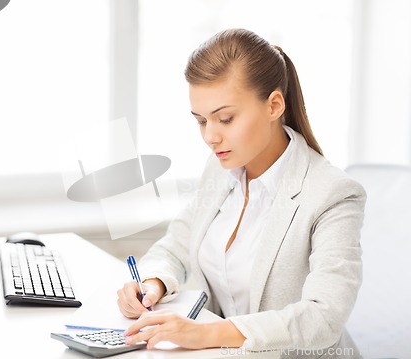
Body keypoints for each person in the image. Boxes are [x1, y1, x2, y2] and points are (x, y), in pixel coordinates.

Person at [117, 28, 366, 358]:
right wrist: (152, 283)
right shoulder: (221, 169)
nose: (210, 136)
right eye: (201, 121)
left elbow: (323, 317)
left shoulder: (332, 194)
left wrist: (205, 333)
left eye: (225, 118)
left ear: (274, 105)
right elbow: (177, 244)